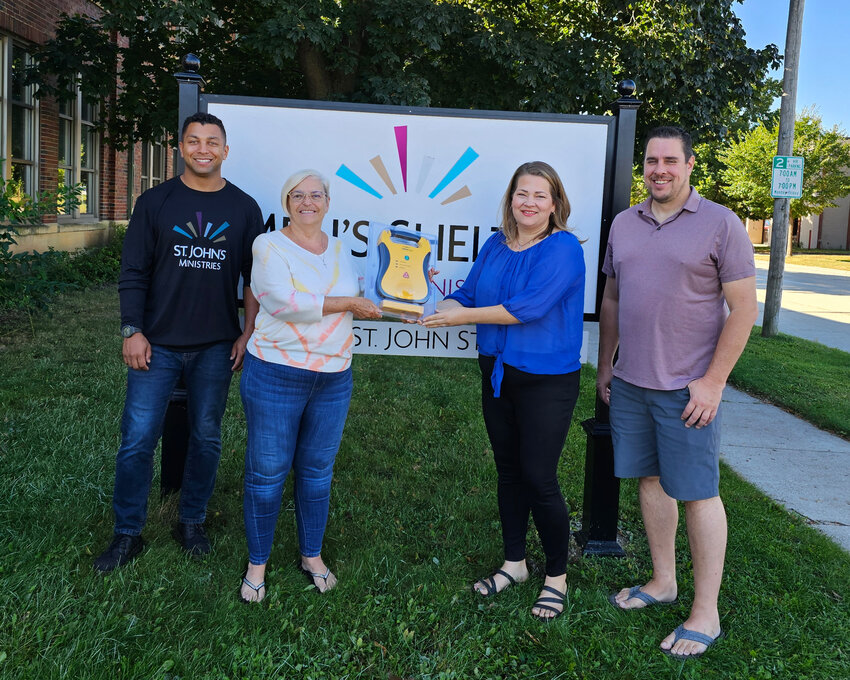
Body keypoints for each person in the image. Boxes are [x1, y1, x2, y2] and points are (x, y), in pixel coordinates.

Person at [598, 126, 758, 659]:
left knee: (698, 493)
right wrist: (606, 365)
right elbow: (614, 300)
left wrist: (713, 383)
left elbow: (745, 310)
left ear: (691, 165)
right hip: (632, 382)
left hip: (687, 389)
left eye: (670, 160)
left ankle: (705, 613)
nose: (658, 169)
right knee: (649, 481)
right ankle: (663, 580)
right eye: (651, 160)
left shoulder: (721, 224)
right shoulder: (624, 223)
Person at [94, 112, 264, 572]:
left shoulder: (245, 208)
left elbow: (255, 280)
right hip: (157, 345)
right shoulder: (156, 202)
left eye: (212, 141)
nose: (203, 148)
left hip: (216, 345)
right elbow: (134, 272)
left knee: (207, 437)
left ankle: (191, 521)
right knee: (136, 440)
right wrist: (132, 329)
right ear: (181, 147)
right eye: (194, 141)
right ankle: (127, 533)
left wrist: (247, 333)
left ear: (225, 151)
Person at [422, 161, 585, 620]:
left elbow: (527, 308)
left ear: (555, 205)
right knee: (509, 471)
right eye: (521, 194)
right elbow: (470, 293)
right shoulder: (496, 243)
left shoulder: (565, 249)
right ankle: (514, 563)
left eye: (539, 195)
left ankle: (556, 575)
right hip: (495, 371)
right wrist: (438, 305)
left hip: (546, 380)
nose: (529, 203)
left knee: (539, 476)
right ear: (511, 199)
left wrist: (461, 317)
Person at [238, 170, 382, 603]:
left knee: (318, 473)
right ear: (286, 203)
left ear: (327, 201)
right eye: (297, 195)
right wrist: (350, 303)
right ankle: (256, 565)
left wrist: (411, 291)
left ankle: (311, 555)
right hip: (276, 373)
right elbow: (281, 302)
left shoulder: (340, 248)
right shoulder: (268, 245)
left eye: (315, 194)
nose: (307, 202)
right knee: (266, 474)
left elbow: (368, 297)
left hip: (334, 377)